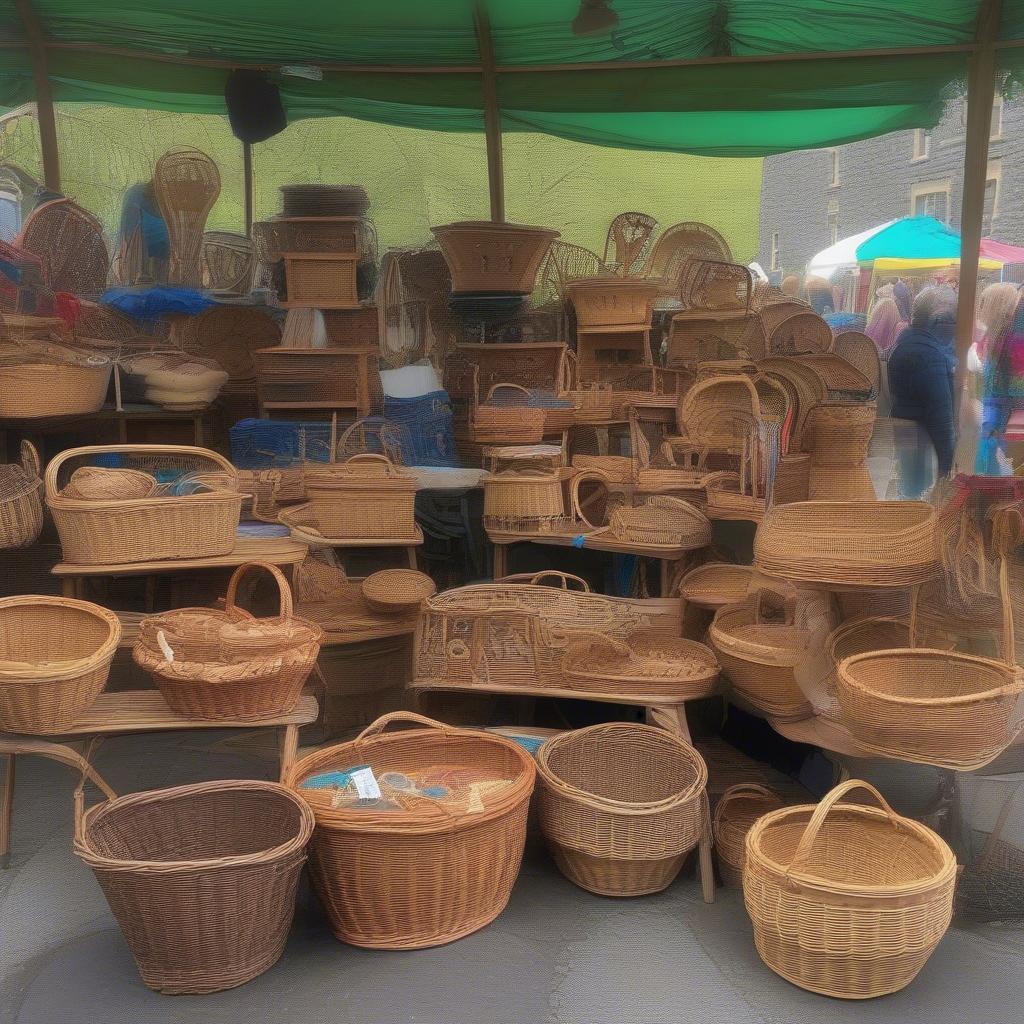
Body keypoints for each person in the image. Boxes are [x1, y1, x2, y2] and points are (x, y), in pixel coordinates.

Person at [886, 285, 958, 499]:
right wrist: (948, 463)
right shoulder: (928, 354)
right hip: (922, 434)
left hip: (907, 426)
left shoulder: (906, 341)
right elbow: (940, 414)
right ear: (936, 319)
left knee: (909, 489)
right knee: (917, 495)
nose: (954, 324)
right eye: (950, 318)